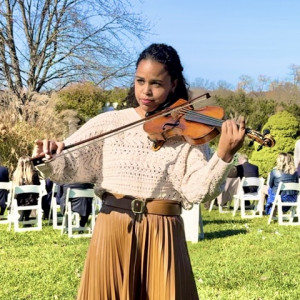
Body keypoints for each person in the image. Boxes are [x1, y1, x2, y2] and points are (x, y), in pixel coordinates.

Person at [32, 43, 245, 300]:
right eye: (140, 80)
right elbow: (69, 165)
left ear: (173, 84)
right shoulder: (110, 122)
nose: (146, 91)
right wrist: (51, 155)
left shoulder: (189, 132)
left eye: (156, 83)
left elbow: (199, 191)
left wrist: (224, 155)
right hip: (113, 229)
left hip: (162, 233)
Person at [12, 156, 40, 222]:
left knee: (23, 197)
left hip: (19, 201)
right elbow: (37, 187)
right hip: (32, 201)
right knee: (31, 197)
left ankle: (22, 216)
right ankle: (26, 216)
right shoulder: (34, 174)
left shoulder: (16, 175)